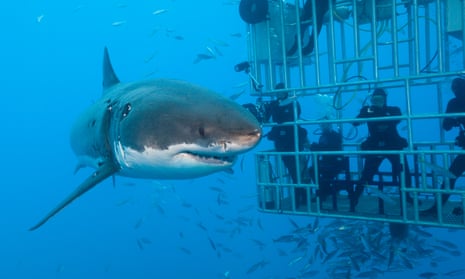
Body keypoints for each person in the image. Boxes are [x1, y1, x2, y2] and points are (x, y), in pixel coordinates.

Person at [350, 88, 412, 212]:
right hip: (375, 146)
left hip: (393, 145)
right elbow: (355, 123)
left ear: (385, 99)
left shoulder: (393, 109)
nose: (377, 101)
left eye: (380, 99)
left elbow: (398, 119)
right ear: (371, 99)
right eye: (375, 99)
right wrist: (366, 111)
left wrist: (378, 113)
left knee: (404, 172)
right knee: (367, 174)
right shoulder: (368, 109)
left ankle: (407, 196)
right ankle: (355, 198)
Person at [421, 77, 465, 216]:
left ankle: (436, 209)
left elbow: (446, 125)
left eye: (458, 88)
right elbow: (446, 125)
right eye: (455, 88)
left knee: (449, 176)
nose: (457, 91)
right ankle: (436, 209)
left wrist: (454, 121)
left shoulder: (454, 102)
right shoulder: (453, 103)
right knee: (449, 176)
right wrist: (454, 121)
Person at [309, 121, 344, 202]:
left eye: (324, 125)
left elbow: (329, 148)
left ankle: (323, 193)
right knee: (312, 170)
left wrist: (314, 146)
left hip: (335, 162)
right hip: (326, 162)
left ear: (329, 125)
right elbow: (322, 147)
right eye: (321, 125)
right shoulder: (323, 136)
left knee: (319, 171)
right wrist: (314, 146)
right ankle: (324, 191)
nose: (323, 127)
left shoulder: (335, 135)